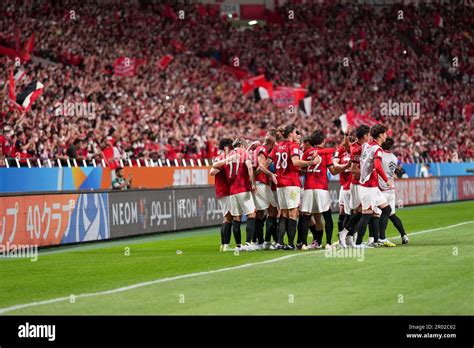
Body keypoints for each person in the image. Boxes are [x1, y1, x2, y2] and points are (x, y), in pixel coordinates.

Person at [269, 125, 321, 250]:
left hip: (280, 184)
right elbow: (296, 162)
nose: (296, 134)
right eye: (294, 132)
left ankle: (280, 242)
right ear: (291, 134)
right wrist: (311, 163)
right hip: (291, 183)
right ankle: (291, 243)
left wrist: (270, 174)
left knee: (284, 214)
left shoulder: (276, 147)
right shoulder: (293, 146)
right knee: (293, 213)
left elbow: (268, 162)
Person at [298, 130, 350, 250]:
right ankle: (328, 243)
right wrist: (345, 167)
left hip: (309, 187)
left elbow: (301, 169)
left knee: (306, 215)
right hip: (321, 187)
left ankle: (304, 244)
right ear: (323, 140)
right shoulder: (326, 153)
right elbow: (333, 171)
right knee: (327, 215)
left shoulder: (307, 153)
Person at [354, 124, 395, 248]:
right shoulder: (377, 149)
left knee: (386, 209)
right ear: (381, 135)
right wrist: (387, 180)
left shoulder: (366, 145)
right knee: (367, 214)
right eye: (385, 133)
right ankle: (358, 243)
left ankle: (381, 238)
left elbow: (355, 151)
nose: (386, 135)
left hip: (370, 186)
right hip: (368, 186)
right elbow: (377, 166)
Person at [222, 138, 258, 251]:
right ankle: (248, 243)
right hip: (243, 188)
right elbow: (249, 168)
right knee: (251, 214)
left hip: (232, 191)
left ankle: (238, 245)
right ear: (242, 145)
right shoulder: (244, 154)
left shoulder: (229, 155)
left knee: (236, 217)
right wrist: (252, 183)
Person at [252, 130, 279, 250]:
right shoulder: (262, 149)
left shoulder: (257, 149)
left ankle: (259, 242)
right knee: (273, 211)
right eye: (269, 134)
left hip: (257, 183)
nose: (269, 136)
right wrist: (270, 174)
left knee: (259, 212)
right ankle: (266, 241)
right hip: (261, 183)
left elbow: (256, 169)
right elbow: (261, 167)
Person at [380, 137, 409, 244]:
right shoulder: (394, 158)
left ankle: (380, 238)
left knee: (377, 215)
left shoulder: (380, 155)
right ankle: (404, 235)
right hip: (391, 188)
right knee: (391, 214)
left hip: (382, 188)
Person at [210, 138, 236, 252]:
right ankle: (225, 245)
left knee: (227, 217)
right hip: (225, 190)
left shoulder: (220, 158)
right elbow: (212, 171)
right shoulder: (222, 158)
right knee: (228, 217)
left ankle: (223, 245)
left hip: (224, 190)